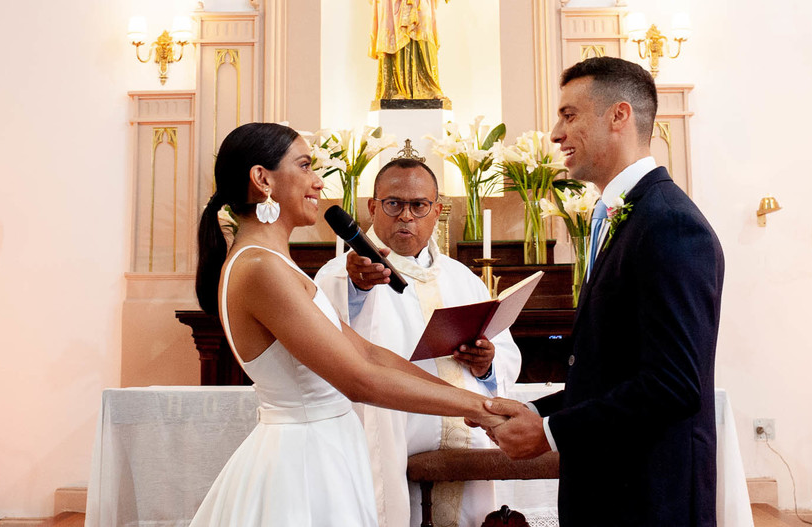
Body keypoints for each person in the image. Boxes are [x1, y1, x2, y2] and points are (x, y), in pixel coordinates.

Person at [189, 123, 505, 527]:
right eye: (305, 166)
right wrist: (481, 409)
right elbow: (360, 380)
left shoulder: (273, 263)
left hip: (325, 448)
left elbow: (368, 352)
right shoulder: (259, 268)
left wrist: (477, 404)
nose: (318, 182)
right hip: (304, 463)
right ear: (262, 179)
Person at [480, 57, 725, 527]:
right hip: (611, 493)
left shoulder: (669, 224)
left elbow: (673, 386)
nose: (556, 134)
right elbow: (613, 374)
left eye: (569, 115)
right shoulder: (628, 214)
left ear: (619, 115)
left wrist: (550, 432)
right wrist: (533, 411)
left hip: (648, 501)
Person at [315, 155, 521, 527]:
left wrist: (487, 363)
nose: (406, 216)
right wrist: (357, 289)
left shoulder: (462, 278)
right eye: (394, 204)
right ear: (373, 207)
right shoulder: (344, 274)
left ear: (437, 210)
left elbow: (504, 350)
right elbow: (329, 342)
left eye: (419, 205)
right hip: (390, 441)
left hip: (467, 446)